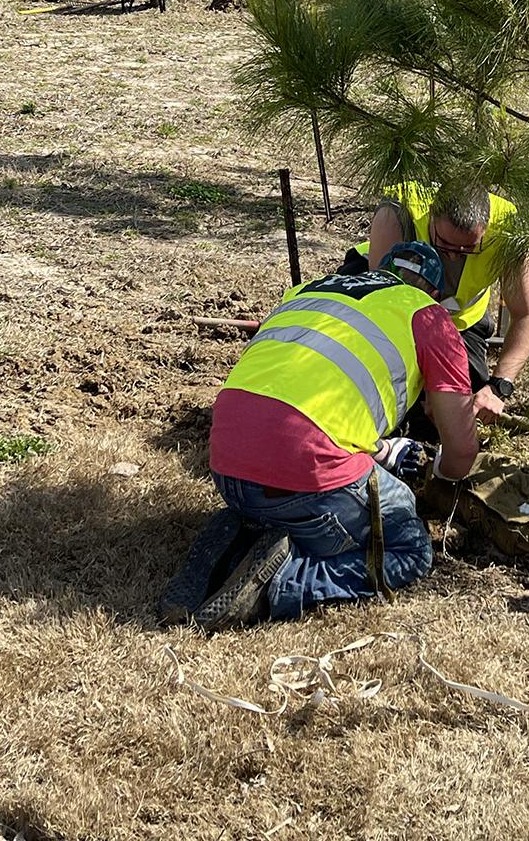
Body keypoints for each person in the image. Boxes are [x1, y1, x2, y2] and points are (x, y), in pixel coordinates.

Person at [158, 241, 477, 630]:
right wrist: (439, 476)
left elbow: (312, 397)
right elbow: (461, 452)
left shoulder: (309, 290)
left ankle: (237, 542)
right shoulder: (428, 317)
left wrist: (382, 450)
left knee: (292, 490)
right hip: (302, 478)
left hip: (227, 465)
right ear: (435, 294)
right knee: (408, 551)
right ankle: (280, 582)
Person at [363, 181, 529, 420]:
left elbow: (527, 315)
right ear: (432, 217)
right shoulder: (398, 212)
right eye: (444, 245)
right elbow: (380, 308)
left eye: (467, 248)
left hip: (462, 324)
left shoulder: (508, 229)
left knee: (457, 412)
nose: (453, 256)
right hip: (396, 315)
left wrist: (499, 386)